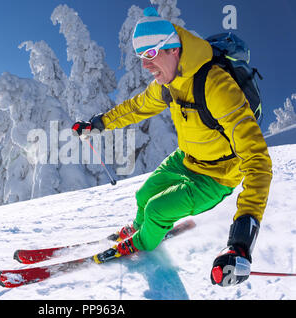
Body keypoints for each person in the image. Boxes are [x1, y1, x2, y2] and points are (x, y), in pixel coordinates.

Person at [72, 7, 272, 287]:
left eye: (151, 54)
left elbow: (258, 161)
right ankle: (142, 229)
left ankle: (142, 242)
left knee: (156, 209)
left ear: (173, 49)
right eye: (141, 57)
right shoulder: (168, 82)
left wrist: (240, 241)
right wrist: (98, 124)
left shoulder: (216, 86)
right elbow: (137, 107)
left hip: (216, 176)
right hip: (186, 159)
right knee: (144, 195)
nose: (145, 65)